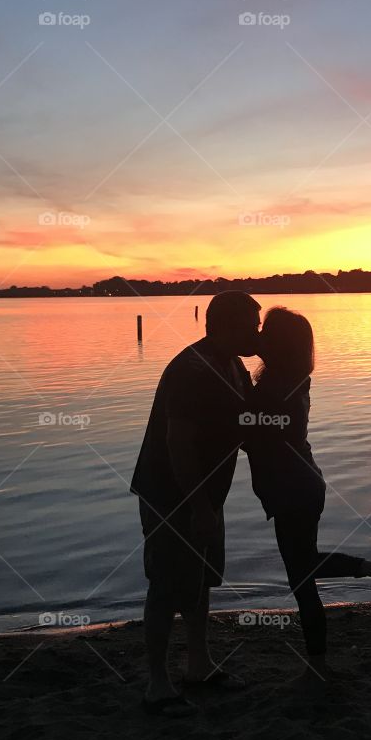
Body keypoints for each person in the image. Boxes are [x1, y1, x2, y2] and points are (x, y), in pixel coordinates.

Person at [245, 306, 371, 671]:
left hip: (293, 488)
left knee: (301, 576)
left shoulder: (277, 388)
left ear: (278, 343)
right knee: (302, 570)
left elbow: (254, 435)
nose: (258, 337)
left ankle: (321, 659)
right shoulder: (286, 380)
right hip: (300, 485)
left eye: (265, 332)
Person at [131, 291, 261, 715]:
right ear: (225, 325)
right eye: (251, 325)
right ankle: (156, 682)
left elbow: (245, 425)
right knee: (166, 586)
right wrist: (199, 507)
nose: (257, 333)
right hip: (172, 495)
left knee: (200, 580)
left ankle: (199, 665)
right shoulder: (190, 370)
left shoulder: (234, 366)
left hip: (207, 495)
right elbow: (178, 443)